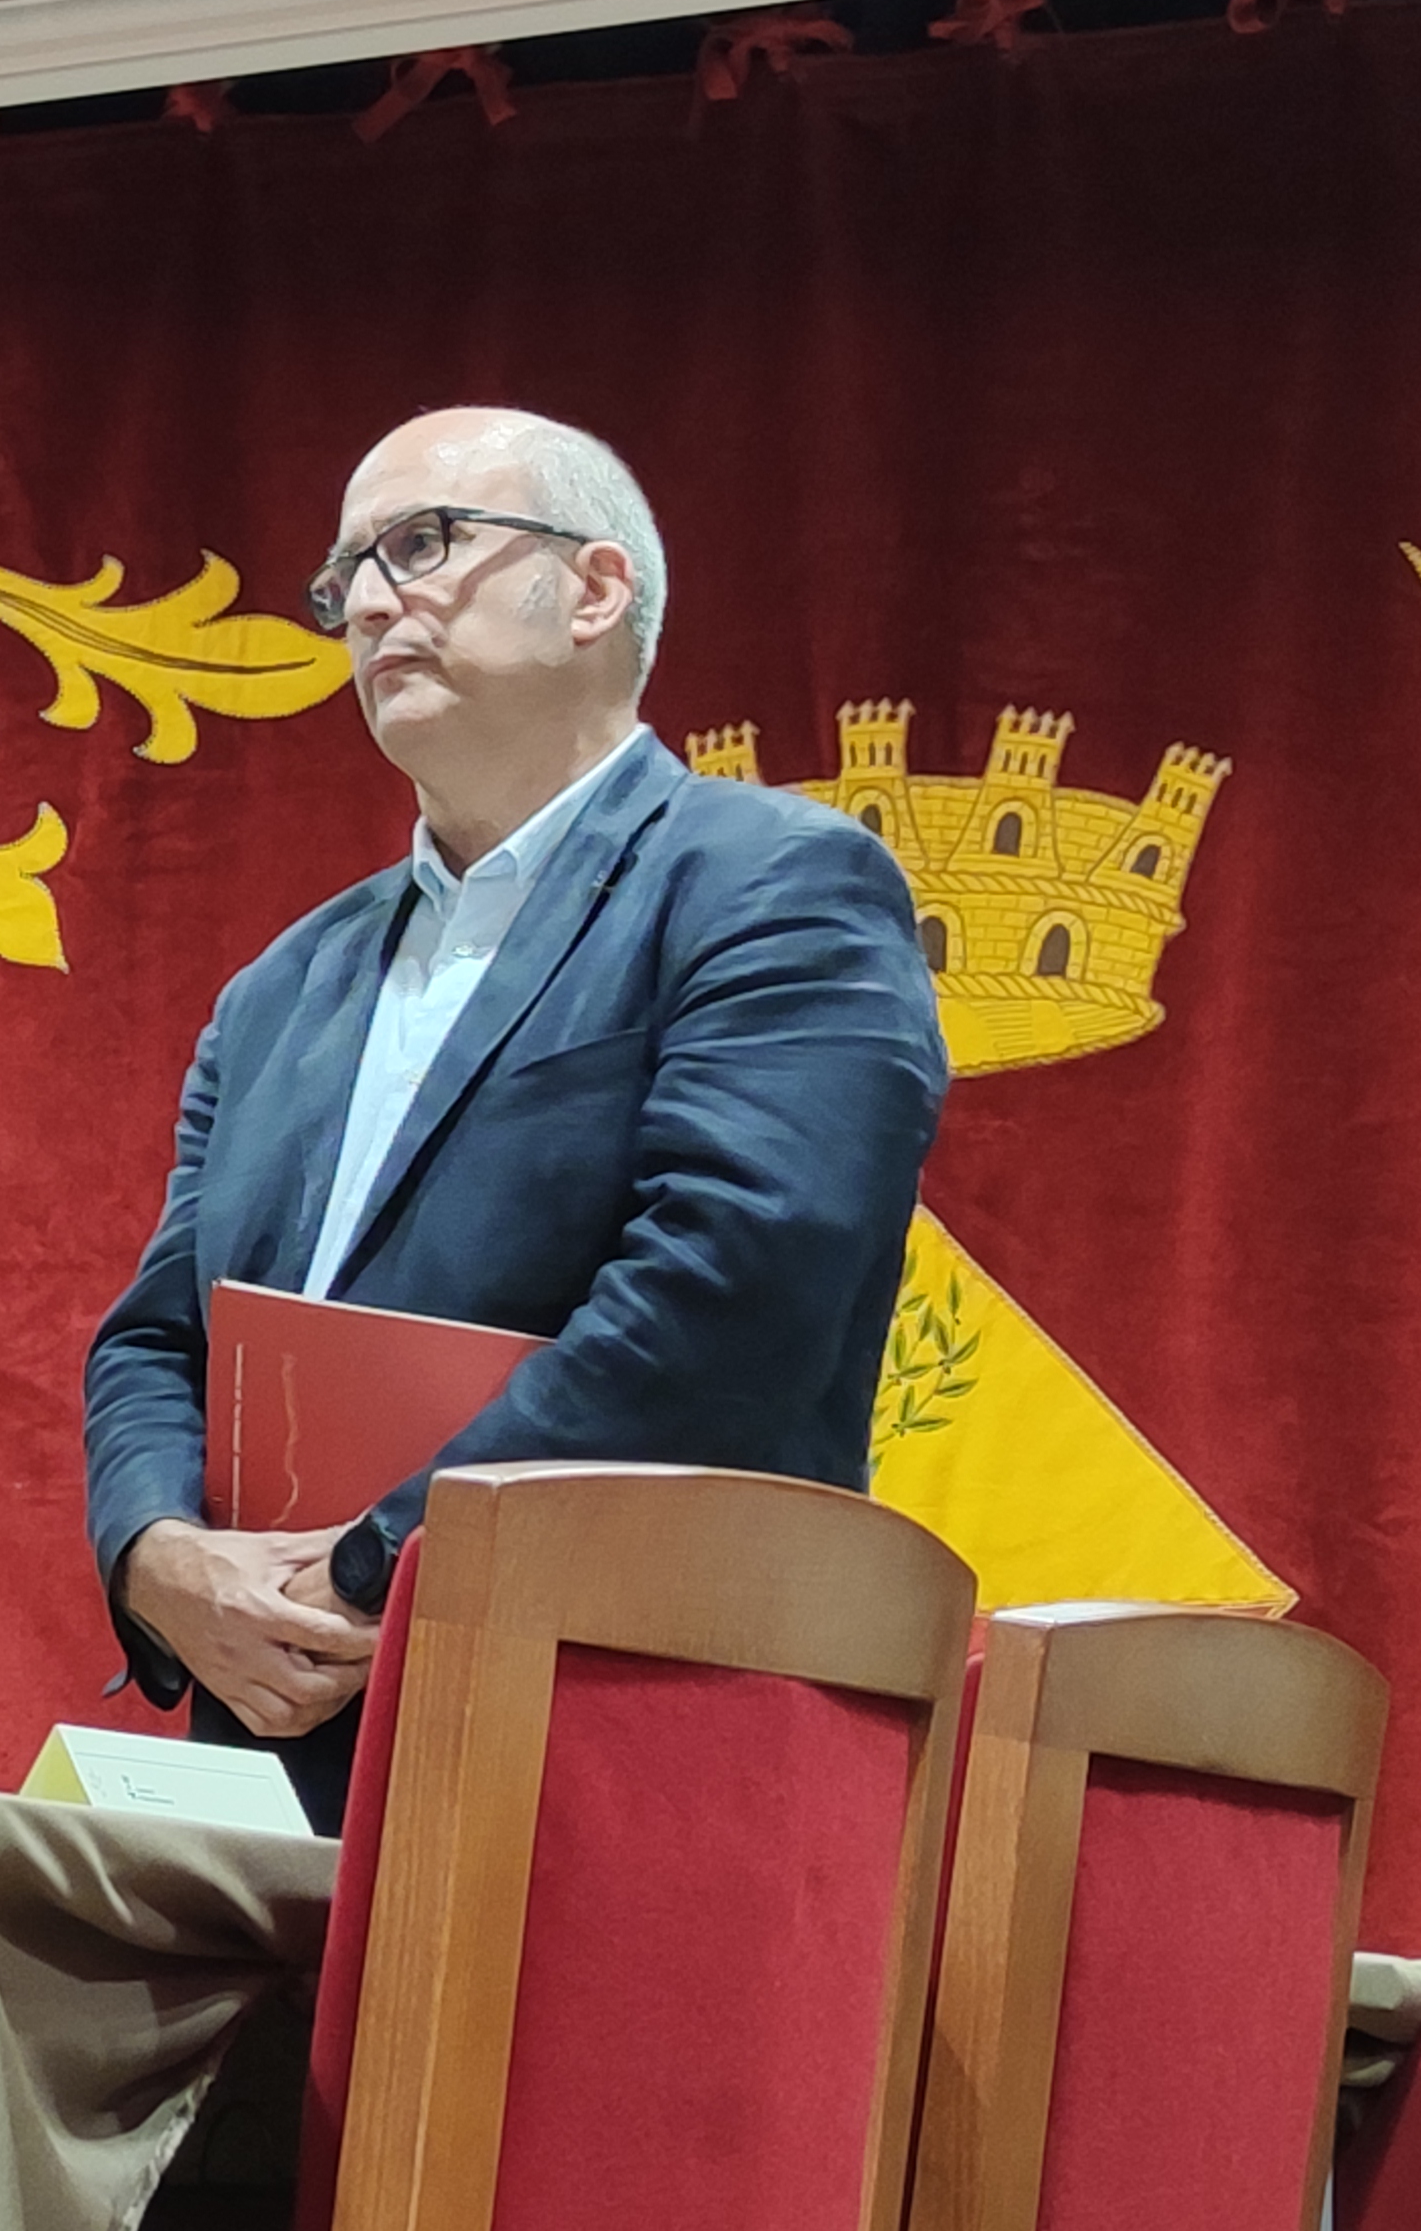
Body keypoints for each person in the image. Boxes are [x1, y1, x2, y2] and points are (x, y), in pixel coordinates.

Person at [80, 407, 944, 1814]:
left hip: (623, 1741)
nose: (365, 600)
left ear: (595, 589)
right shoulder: (275, 990)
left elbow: (733, 1292)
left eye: (421, 544)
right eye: (343, 575)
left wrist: (373, 1560)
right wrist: (161, 1558)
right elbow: (159, 1334)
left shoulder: (772, 885)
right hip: (286, 1750)